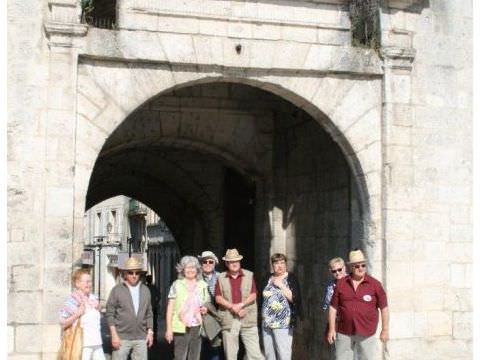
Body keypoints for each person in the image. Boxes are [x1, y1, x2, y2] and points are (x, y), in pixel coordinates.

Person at [327, 249, 389, 360]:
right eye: (357, 266)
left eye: (363, 265)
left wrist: (385, 330)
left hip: (367, 331)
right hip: (344, 331)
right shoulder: (341, 283)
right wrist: (331, 329)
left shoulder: (375, 284)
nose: (360, 268)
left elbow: (384, 308)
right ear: (351, 267)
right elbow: (332, 308)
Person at [214, 248, 264, 360]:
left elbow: (253, 295)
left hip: (247, 317)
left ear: (240, 262)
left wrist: (241, 305)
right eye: (231, 261)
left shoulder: (249, 275)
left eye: (236, 261)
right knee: (230, 355)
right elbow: (218, 298)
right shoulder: (221, 277)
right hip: (229, 318)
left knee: (255, 354)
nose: (234, 264)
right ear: (226, 263)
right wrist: (233, 307)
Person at [106, 257, 154, 360]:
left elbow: (149, 313)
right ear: (125, 274)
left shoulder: (145, 290)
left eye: (137, 273)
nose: (134, 275)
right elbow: (110, 314)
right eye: (130, 272)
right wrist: (114, 334)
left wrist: (150, 332)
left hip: (141, 338)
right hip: (121, 337)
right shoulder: (117, 290)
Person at [165, 256, 210, 360]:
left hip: (197, 326)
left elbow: (206, 303)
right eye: (187, 268)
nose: (190, 270)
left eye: (193, 267)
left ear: (197, 270)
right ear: (182, 270)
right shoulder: (177, 284)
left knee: (195, 356)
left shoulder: (203, 285)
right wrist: (169, 329)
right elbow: (170, 308)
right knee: (179, 356)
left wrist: (205, 309)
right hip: (180, 326)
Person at [260, 253, 302, 360]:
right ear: (272, 265)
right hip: (266, 323)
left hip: (282, 324)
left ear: (286, 264)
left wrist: (281, 285)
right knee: (269, 355)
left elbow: (295, 299)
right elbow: (261, 298)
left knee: (283, 355)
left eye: (282, 263)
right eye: (276, 263)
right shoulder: (267, 278)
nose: (280, 265)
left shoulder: (291, 278)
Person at [59, 268, 105, 360]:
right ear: (77, 283)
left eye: (90, 281)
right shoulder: (72, 300)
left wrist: (98, 307)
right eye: (86, 282)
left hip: (97, 342)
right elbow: (63, 323)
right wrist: (77, 314)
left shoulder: (93, 298)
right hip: (81, 344)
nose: (89, 284)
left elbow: (97, 318)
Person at [199, 251, 224, 360]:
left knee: (216, 347)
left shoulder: (221, 277)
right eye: (205, 262)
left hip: (217, 316)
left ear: (215, 263)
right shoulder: (195, 277)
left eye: (210, 261)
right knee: (202, 348)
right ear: (201, 264)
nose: (208, 264)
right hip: (200, 317)